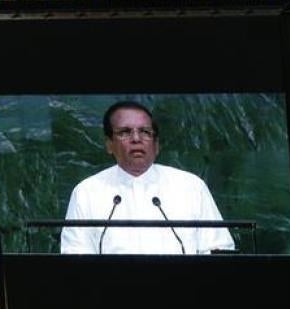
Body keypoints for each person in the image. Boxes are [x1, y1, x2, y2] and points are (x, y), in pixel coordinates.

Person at [60, 100, 235, 255]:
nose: (136, 139)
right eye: (125, 132)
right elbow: (75, 252)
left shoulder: (191, 186)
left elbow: (218, 249)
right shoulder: (87, 192)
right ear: (109, 144)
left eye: (145, 132)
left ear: (156, 144)